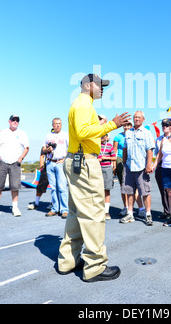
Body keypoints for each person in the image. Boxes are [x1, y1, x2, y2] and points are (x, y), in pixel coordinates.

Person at [57, 73, 131, 282]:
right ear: (89, 85)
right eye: (100, 85)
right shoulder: (83, 104)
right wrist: (112, 125)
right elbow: (82, 132)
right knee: (93, 214)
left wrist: (99, 123)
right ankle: (95, 266)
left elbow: (82, 129)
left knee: (75, 213)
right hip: (85, 163)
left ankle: (68, 261)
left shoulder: (81, 104)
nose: (103, 88)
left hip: (76, 161)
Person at [120, 111, 155, 226]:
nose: (136, 119)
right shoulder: (128, 133)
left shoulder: (146, 133)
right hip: (130, 166)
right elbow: (125, 148)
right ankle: (130, 214)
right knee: (129, 192)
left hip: (141, 167)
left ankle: (148, 214)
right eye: (135, 117)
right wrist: (124, 163)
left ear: (143, 119)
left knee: (145, 192)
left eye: (139, 117)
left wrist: (149, 165)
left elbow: (150, 150)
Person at [0, 115, 29, 218]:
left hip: (15, 163)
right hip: (2, 162)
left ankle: (15, 208)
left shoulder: (22, 133)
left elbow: (26, 147)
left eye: (17, 120)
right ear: (9, 121)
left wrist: (21, 158)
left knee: (15, 186)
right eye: (13, 120)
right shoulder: (3, 133)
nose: (15, 122)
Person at [42, 118, 69, 219]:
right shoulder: (48, 136)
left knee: (62, 187)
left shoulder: (66, 135)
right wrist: (47, 149)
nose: (57, 125)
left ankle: (64, 209)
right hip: (50, 162)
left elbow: (71, 149)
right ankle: (55, 208)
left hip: (60, 162)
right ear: (52, 125)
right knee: (53, 188)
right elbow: (43, 148)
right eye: (56, 124)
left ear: (61, 125)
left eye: (59, 123)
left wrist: (64, 159)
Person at [113, 121, 133, 216]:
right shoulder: (118, 136)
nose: (126, 127)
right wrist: (114, 165)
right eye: (124, 125)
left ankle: (132, 208)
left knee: (133, 186)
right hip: (120, 159)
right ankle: (125, 207)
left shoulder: (134, 135)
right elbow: (114, 151)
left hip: (131, 159)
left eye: (128, 125)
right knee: (122, 185)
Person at [153, 119, 171, 219]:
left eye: (166, 125)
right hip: (160, 166)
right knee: (162, 190)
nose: (164, 127)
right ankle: (166, 211)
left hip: (170, 166)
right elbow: (157, 154)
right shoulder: (159, 139)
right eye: (163, 125)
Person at [99, 134, 116, 220]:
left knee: (107, 190)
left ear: (106, 137)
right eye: (100, 136)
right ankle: (99, 211)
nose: (102, 138)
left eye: (103, 136)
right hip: (97, 169)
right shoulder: (95, 145)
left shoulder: (109, 146)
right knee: (98, 190)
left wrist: (105, 157)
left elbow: (114, 158)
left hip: (107, 169)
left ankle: (106, 211)